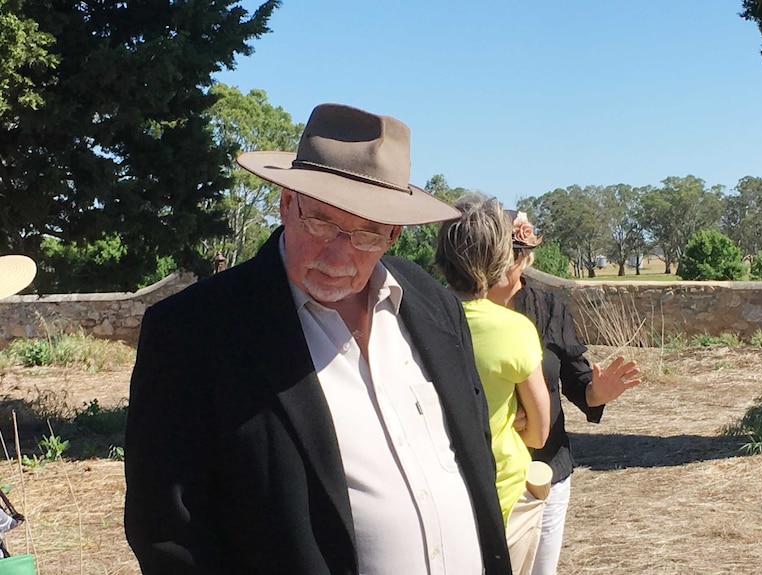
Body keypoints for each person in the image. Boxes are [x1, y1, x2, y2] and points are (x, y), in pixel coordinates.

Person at [124, 103, 511, 575]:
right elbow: (170, 535)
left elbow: (474, 460)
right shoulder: (195, 332)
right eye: (322, 222)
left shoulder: (434, 306)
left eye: (367, 233)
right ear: (287, 202)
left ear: (393, 233)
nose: (339, 253)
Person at [488, 211, 641, 575]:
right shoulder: (455, 311)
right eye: (509, 254)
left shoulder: (547, 307)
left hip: (546, 472)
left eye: (520, 255)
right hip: (484, 473)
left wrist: (597, 392)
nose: (517, 263)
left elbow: (577, 382)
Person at [435, 193, 551, 575]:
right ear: (500, 259)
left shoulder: (411, 314)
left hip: (438, 500)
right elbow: (538, 434)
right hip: (503, 493)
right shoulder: (515, 330)